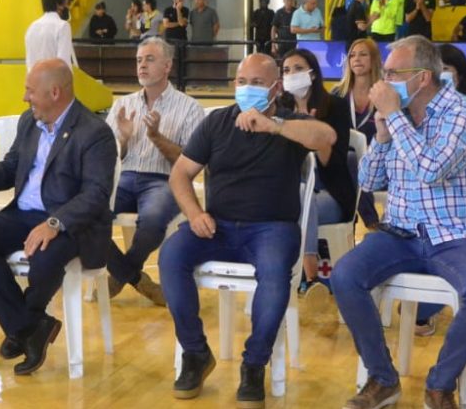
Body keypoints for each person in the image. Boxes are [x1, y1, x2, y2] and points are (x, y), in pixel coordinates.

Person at [335, 36, 466, 409]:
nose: (385, 79)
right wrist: (380, 136)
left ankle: (441, 384)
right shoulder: (400, 115)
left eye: (393, 72)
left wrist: (394, 117)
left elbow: (430, 170)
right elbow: (368, 181)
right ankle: (382, 378)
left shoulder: (460, 113)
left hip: (455, 234)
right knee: (345, 276)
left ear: (423, 77)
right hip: (400, 232)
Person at [160, 53, 335, 406]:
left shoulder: (288, 122)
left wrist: (277, 126)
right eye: (241, 82)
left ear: (275, 88)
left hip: (272, 228)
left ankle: (254, 364)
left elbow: (327, 137)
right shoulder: (217, 123)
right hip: (217, 225)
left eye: (256, 83)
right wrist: (194, 213)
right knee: (171, 255)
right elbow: (180, 174)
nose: (247, 90)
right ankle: (195, 353)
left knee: (274, 274)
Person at [0, 59, 118, 376]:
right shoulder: (29, 122)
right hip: (23, 213)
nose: (24, 98)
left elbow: (96, 194)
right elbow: (11, 166)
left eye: (30, 91)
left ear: (54, 92)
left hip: (72, 222)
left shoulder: (95, 132)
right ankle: (31, 327)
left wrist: (55, 223)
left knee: (44, 259)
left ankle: (23, 327)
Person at [104, 37, 204, 304]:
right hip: (123, 177)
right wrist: (123, 140)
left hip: (164, 180)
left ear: (167, 66)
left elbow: (190, 162)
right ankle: (133, 276)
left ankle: (121, 272)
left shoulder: (190, 108)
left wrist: (156, 137)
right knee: (87, 214)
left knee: (153, 219)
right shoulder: (121, 105)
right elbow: (110, 159)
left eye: (149, 59)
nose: (142, 66)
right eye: (139, 60)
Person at [278, 49, 356, 293]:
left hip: (330, 192)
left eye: (298, 69)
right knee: (297, 195)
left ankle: (309, 275)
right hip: (290, 191)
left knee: (303, 197)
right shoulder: (280, 110)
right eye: (287, 70)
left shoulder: (336, 106)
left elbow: (338, 162)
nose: (292, 74)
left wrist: (316, 134)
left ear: (312, 73)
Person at [331, 38, 383, 228]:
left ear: (374, 59)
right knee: (351, 162)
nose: (356, 59)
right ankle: (370, 223)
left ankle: (364, 223)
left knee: (354, 167)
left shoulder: (384, 92)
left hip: (380, 162)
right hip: (348, 161)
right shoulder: (338, 94)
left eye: (363, 54)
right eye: (352, 55)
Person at [25, 0, 75, 70]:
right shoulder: (62, 26)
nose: (68, 7)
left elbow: (29, 61)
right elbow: (63, 61)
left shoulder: (32, 27)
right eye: (67, 3)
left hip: (35, 79)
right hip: (55, 80)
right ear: (58, 5)